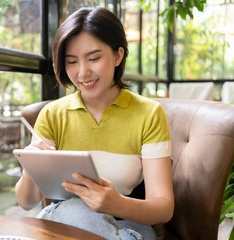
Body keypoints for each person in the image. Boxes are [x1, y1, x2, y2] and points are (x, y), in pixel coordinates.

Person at [15, 7, 174, 240]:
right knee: (76, 210)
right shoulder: (52, 115)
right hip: (65, 219)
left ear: (118, 56)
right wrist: (32, 165)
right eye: (71, 62)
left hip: (128, 226)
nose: (82, 73)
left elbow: (163, 208)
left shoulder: (149, 114)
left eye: (94, 58)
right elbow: (26, 202)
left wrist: (115, 204)